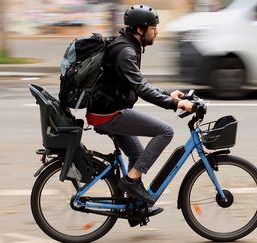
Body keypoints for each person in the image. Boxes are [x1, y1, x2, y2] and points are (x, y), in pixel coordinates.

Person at [86, 5, 194, 212]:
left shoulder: (129, 46)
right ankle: (131, 182)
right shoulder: (126, 51)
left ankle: (136, 208)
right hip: (108, 114)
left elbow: (139, 83)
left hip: (107, 110)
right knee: (165, 131)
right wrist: (175, 104)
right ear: (140, 29)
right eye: (153, 27)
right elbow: (141, 88)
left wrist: (167, 94)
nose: (157, 32)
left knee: (137, 154)